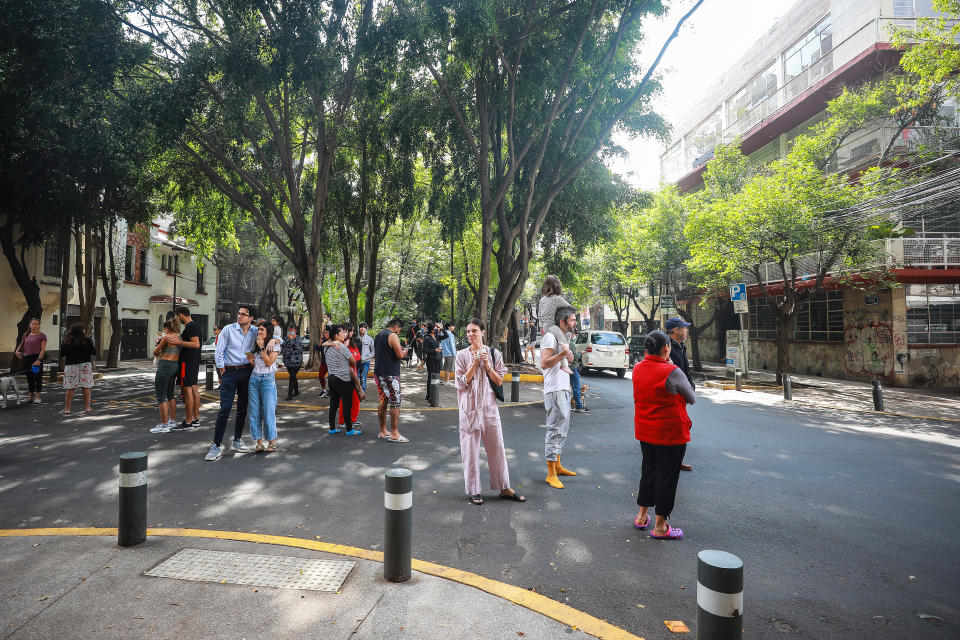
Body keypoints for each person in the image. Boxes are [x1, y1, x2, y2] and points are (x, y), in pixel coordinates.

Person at [632, 330, 695, 540]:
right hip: (670, 433)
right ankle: (660, 526)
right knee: (666, 476)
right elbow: (691, 397)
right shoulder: (672, 371)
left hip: (645, 430)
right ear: (666, 348)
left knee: (648, 470)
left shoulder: (637, 368)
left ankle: (641, 516)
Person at [454, 318, 525, 505]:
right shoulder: (461, 355)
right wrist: (473, 364)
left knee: (497, 448)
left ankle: (504, 486)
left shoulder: (494, 354)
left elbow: (499, 380)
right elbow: (461, 382)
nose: (470, 334)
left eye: (474, 331)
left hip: (489, 409)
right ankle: (474, 490)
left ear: (482, 332)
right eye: (468, 331)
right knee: (470, 451)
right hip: (469, 410)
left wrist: (486, 365)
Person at [208, 305, 257, 461]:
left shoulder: (255, 331)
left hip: (246, 372)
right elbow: (219, 351)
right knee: (225, 408)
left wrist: (274, 340)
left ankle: (237, 439)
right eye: (239, 313)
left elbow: (272, 335)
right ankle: (216, 445)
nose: (239, 316)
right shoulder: (228, 329)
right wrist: (222, 371)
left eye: (244, 314)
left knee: (243, 407)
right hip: (229, 372)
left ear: (251, 318)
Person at [540, 305, 579, 489]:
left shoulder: (565, 338)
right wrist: (562, 353)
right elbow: (545, 363)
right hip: (554, 389)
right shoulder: (550, 337)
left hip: (563, 387)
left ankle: (558, 465)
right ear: (563, 322)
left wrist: (567, 353)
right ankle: (550, 473)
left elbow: (570, 360)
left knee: (563, 428)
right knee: (554, 429)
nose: (575, 322)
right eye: (572, 319)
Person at [374, 318, 412, 442]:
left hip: (379, 373)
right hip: (390, 374)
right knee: (395, 402)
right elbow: (400, 355)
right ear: (396, 327)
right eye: (399, 330)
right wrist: (405, 351)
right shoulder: (393, 335)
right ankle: (394, 433)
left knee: (382, 401)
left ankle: (383, 431)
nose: (398, 333)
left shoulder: (379, 335)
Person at [323, 324, 363, 436]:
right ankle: (349, 429)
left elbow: (323, 343)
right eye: (342, 333)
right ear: (336, 335)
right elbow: (353, 361)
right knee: (346, 404)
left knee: (333, 404)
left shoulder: (327, 347)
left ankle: (332, 428)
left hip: (331, 378)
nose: (344, 335)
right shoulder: (342, 347)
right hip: (344, 379)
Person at [666, 317, 695, 472]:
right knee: (680, 428)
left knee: (683, 427)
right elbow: (673, 375)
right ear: (676, 331)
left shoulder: (680, 346)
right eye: (684, 328)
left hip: (683, 393)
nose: (687, 331)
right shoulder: (668, 347)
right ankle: (673, 460)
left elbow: (686, 372)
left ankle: (676, 460)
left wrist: (691, 388)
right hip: (673, 394)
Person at [248, 319, 281, 453]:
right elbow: (257, 365)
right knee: (254, 412)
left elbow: (268, 363)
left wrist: (262, 348)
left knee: (268, 411)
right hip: (254, 379)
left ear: (268, 332)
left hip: (267, 380)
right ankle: (259, 442)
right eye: (259, 329)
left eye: (262, 330)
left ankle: (272, 441)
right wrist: (250, 360)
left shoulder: (274, 346)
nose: (259, 332)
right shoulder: (255, 345)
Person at [173, 306, 202, 431]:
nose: (177, 319)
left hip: (187, 363)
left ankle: (188, 421)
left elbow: (196, 344)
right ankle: (194, 419)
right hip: (192, 362)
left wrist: (178, 342)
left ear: (181, 314)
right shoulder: (194, 326)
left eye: (177, 317)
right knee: (194, 390)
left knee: (187, 391)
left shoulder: (191, 327)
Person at [538, 275, 574, 375]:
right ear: (558, 286)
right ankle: (564, 363)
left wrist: (541, 327)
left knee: (566, 334)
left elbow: (539, 314)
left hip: (545, 326)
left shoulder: (542, 300)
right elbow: (570, 308)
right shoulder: (557, 299)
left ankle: (564, 359)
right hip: (552, 326)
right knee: (563, 342)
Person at [150, 319, 181, 433]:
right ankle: (172, 421)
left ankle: (164, 425)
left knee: (160, 396)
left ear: (167, 328)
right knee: (170, 394)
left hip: (165, 366)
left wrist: (159, 344)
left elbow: (155, 352)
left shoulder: (166, 337)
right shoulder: (179, 337)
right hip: (174, 366)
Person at [59, 323, 96, 415]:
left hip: (71, 366)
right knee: (85, 387)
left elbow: (62, 354)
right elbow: (94, 352)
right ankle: (87, 408)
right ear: (82, 330)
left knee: (70, 388)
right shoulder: (87, 340)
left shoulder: (66, 341)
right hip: (85, 366)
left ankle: (67, 409)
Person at [14, 318, 47, 404]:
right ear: (30, 325)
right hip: (26, 358)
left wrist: (39, 360)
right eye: (33, 323)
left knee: (37, 377)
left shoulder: (42, 336)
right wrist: (17, 351)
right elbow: (21, 345)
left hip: (36, 358)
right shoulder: (25, 335)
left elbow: (43, 349)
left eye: (36, 324)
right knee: (29, 378)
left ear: (39, 325)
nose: (34, 325)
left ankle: (38, 397)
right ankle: (31, 396)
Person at [337, 326, 362, 429]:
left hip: (353, 373)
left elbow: (357, 357)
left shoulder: (351, 344)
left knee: (355, 398)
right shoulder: (339, 344)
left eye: (351, 331)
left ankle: (353, 419)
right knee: (345, 399)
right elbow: (352, 360)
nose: (351, 333)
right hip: (345, 375)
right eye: (348, 331)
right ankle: (342, 421)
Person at [568, 325, 589, 414]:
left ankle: (573, 405)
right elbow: (574, 358)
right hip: (573, 367)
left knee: (573, 387)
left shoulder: (567, 343)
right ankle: (579, 406)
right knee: (576, 387)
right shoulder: (571, 344)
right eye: (575, 334)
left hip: (570, 368)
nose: (576, 336)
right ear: (571, 334)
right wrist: (581, 353)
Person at [280, 325, 304, 400]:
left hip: (297, 361)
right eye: (290, 330)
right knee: (293, 376)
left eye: (292, 330)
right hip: (288, 361)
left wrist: (291, 340)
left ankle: (289, 394)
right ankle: (296, 391)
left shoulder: (299, 339)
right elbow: (283, 346)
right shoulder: (286, 338)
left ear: (296, 331)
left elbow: (299, 348)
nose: (291, 332)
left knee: (292, 376)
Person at [422, 322, 443, 403]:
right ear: (431, 329)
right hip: (431, 360)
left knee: (437, 377)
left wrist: (441, 328)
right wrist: (434, 350)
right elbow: (424, 350)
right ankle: (429, 395)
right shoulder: (427, 338)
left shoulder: (437, 337)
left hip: (438, 359)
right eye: (435, 328)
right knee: (431, 377)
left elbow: (446, 336)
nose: (436, 329)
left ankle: (434, 394)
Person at [357, 322, 375, 392]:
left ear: (366, 329)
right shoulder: (356, 338)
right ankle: (357, 394)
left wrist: (368, 357)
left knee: (363, 378)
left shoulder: (370, 339)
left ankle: (362, 393)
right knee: (357, 378)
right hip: (357, 362)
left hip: (365, 362)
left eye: (364, 327)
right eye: (361, 327)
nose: (362, 328)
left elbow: (373, 351)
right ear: (359, 328)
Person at [315, 324, 331, 398]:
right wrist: (320, 340)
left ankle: (331, 391)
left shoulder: (333, 341)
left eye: (327, 333)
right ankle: (324, 390)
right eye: (325, 333)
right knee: (321, 376)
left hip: (331, 363)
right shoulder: (323, 340)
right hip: (324, 362)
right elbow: (317, 348)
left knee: (331, 378)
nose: (325, 334)